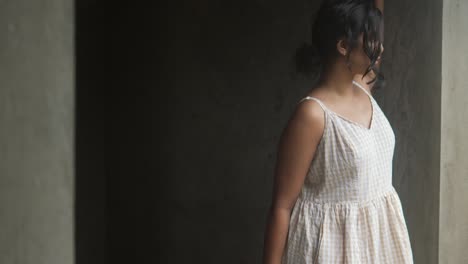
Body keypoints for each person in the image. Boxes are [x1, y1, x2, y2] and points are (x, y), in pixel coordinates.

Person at [262, 0, 414, 263]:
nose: (380, 47)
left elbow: (376, 47)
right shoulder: (313, 115)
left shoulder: (363, 85)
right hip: (332, 250)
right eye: (371, 39)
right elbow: (282, 206)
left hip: (378, 245)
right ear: (343, 45)